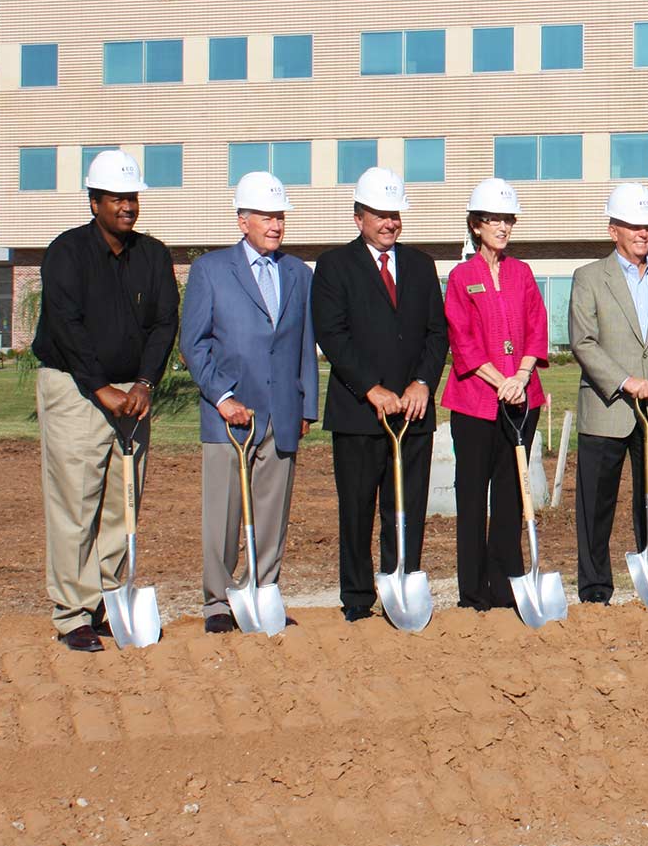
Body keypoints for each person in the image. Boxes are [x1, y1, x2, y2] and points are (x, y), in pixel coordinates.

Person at [31, 149, 179, 651]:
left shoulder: (153, 255)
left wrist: (144, 383)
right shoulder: (66, 253)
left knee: (123, 505)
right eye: (116, 198)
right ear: (94, 202)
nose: (127, 207)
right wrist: (101, 389)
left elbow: (164, 324)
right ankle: (73, 612)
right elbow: (66, 328)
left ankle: (110, 600)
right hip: (76, 391)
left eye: (132, 197)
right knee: (76, 503)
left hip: (133, 397)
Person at [180, 172, 318, 632]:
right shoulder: (211, 271)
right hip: (229, 415)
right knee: (223, 513)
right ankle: (217, 602)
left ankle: (262, 589)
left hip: (281, 411)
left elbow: (303, 344)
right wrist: (222, 398)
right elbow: (194, 344)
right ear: (242, 221)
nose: (276, 224)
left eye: (280, 216)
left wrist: (305, 407)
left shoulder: (299, 273)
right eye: (267, 216)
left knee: (272, 513)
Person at [311, 167, 449, 623]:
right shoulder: (334, 266)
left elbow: (437, 333)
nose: (390, 223)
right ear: (358, 218)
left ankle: (402, 584)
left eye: (395, 214)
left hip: (412, 413)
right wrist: (372, 388)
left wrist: (422, 383)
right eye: (380, 214)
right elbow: (333, 335)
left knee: (405, 508)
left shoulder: (421, 265)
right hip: (358, 413)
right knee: (357, 509)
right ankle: (356, 597)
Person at [567, 183, 648, 604]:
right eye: (633, 226)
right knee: (596, 505)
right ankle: (594, 588)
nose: (643, 233)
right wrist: (626, 381)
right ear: (613, 230)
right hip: (608, 407)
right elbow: (583, 341)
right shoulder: (588, 278)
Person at [442, 178, 550, 610]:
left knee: (510, 496)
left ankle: (505, 582)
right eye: (494, 219)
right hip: (475, 402)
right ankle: (472, 590)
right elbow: (462, 340)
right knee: (472, 496)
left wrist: (520, 377)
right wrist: (498, 380)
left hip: (522, 400)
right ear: (475, 225)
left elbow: (537, 327)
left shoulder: (522, 273)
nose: (502, 226)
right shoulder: (460, 277)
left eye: (508, 219)